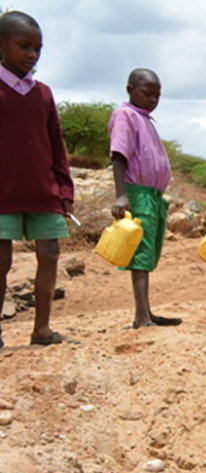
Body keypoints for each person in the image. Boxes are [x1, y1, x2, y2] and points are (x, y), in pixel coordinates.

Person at [0, 10, 75, 348]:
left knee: (50, 253)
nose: (31, 54)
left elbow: (57, 145)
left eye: (38, 48)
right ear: (2, 44)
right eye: (24, 46)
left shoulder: (43, 93)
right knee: (2, 260)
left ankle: (41, 330)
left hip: (43, 191)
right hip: (3, 193)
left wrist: (64, 188)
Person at [109, 68, 180, 329]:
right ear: (130, 90)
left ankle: (147, 312)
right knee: (140, 252)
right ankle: (141, 316)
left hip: (152, 194)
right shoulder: (125, 116)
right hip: (137, 192)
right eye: (147, 93)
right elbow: (118, 155)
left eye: (157, 95)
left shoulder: (145, 119)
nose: (153, 99)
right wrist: (121, 195)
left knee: (149, 250)